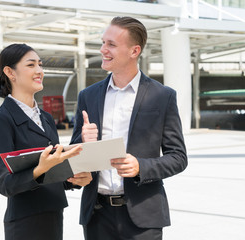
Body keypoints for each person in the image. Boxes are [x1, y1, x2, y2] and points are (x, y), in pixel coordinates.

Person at [70, 16, 188, 240]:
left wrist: (140, 167)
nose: (103, 49)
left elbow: (178, 157)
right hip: (97, 215)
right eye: (104, 42)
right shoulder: (88, 96)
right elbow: (75, 157)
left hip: (143, 216)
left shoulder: (162, 96)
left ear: (134, 51)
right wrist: (83, 143)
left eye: (111, 44)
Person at [0, 43, 92, 240]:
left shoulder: (46, 118)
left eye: (40, 65)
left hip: (53, 217)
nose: (39, 71)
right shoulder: (1, 120)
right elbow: (5, 185)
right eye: (31, 65)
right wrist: (40, 169)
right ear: (10, 72)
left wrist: (75, 180)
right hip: (25, 223)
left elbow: (52, 174)